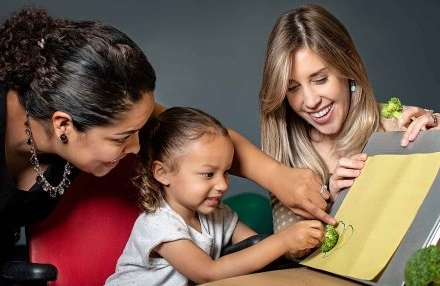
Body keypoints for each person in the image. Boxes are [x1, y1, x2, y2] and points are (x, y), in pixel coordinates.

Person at [0, 5, 333, 282]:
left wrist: (276, 175)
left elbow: (192, 137)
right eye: (122, 138)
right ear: (64, 125)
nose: (138, 147)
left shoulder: (95, 109)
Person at [258, 4, 440, 251]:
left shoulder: (399, 123)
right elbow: (293, 253)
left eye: (320, 79)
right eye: (293, 88)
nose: (310, 101)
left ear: (347, 63)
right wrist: (335, 204)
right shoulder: (285, 156)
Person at [105, 107, 324, 285]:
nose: (222, 185)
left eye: (226, 172)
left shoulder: (219, 215)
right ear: (163, 173)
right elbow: (207, 273)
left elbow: (256, 248)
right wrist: (284, 241)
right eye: (208, 174)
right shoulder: (158, 224)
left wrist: (296, 248)